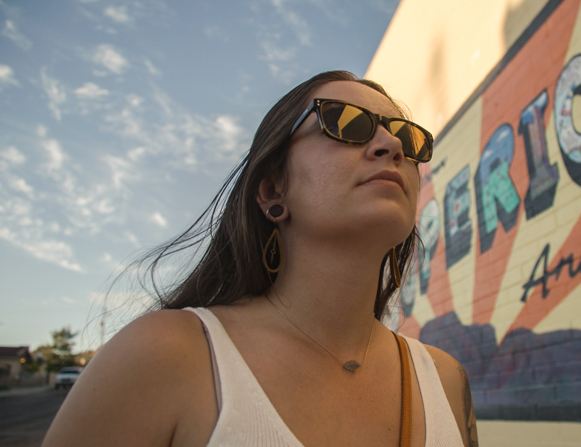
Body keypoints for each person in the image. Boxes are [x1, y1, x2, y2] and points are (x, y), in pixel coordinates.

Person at [43, 71, 478, 446]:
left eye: (407, 137)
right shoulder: (165, 354)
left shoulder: (444, 380)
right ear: (272, 191)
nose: (392, 145)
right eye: (345, 122)